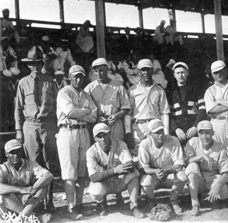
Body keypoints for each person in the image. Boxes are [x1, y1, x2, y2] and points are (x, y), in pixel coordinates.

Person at [15, 46, 58, 211]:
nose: (36, 66)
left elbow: (57, 107)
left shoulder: (50, 81)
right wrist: (19, 129)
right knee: (34, 164)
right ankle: (37, 202)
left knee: (50, 162)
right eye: (33, 64)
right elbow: (18, 108)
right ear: (28, 65)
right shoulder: (22, 83)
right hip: (30, 125)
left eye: (39, 63)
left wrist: (57, 126)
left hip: (48, 125)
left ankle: (50, 200)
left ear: (42, 63)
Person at [56, 65, 97, 220]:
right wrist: (86, 111)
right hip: (68, 131)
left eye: (81, 76)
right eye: (75, 76)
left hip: (83, 131)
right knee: (69, 173)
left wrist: (83, 113)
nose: (78, 79)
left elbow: (94, 116)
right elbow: (69, 112)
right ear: (69, 77)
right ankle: (71, 207)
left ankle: (80, 205)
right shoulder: (64, 92)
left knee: (82, 171)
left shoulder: (86, 95)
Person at [87, 123, 146, 219]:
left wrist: (107, 172)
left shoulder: (120, 144)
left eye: (105, 135)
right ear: (95, 138)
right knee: (95, 190)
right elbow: (93, 177)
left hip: (119, 181)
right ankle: (101, 203)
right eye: (99, 136)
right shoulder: (91, 152)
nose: (103, 139)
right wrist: (115, 170)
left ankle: (133, 206)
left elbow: (130, 166)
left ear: (109, 134)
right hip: (104, 183)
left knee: (134, 174)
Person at [138, 119, 187, 214]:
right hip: (154, 176)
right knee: (145, 182)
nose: (160, 134)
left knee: (182, 176)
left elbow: (179, 164)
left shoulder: (173, 140)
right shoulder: (144, 144)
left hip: (170, 174)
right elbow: (143, 167)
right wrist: (156, 171)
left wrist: (166, 171)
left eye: (161, 131)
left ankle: (173, 200)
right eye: (156, 132)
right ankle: (151, 200)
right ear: (149, 134)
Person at [124, 59, 170, 158]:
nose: (145, 73)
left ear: (152, 70)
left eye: (148, 69)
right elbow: (128, 114)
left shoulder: (159, 90)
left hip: (155, 126)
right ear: (139, 72)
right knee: (138, 155)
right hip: (138, 126)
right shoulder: (132, 90)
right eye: (142, 70)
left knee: (156, 154)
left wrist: (166, 133)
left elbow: (164, 113)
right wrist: (128, 132)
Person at [185, 120, 228, 216]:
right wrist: (201, 156)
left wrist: (217, 186)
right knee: (191, 166)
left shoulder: (220, 147)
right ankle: (195, 204)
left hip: (212, 178)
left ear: (213, 133)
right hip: (198, 178)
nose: (204, 137)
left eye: (207, 133)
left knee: (224, 193)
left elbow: (225, 173)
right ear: (198, 134)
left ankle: (210, 196)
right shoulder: (192, 142)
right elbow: (185, 162)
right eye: (201, 133)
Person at [0, 139, 53, 223]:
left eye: (18, 152)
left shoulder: (30, 164)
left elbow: (48, 175)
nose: (16, 155)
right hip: (11, 204)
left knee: (42, 186)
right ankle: (31, 217)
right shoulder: (3, 168)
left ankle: (23, 217)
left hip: (28, 201)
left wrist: (33, 189)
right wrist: (21, 190)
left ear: (22, 151)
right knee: (2, 195)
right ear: (6, 154)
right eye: (12, 152)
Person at [85, 58, 131, 141]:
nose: (98, 74)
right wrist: (96, 117)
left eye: (101, 70)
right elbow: (86, 109)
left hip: (116, 123)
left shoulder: (118, 86)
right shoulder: (89, 88)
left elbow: (126, 107)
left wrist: (116, 116)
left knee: (118, 148)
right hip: (98, 124)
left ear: (107, 69)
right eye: (96, 71)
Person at [167, 62, 207, 146]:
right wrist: (176, 129)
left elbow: (202, 110)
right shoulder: (171, 92)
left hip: (193, 131)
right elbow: (169, 114)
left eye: (182, 72)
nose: (180, 75)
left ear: (187, 73)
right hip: (178, 133)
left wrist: (195, 127)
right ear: (174, 75)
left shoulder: (196, 89)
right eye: (178, 73)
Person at [204, 60, 228, 144]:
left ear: (225, 71)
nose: (218, 74)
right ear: (212, 74)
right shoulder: (210, 90)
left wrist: (219, 101)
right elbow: (211, 110)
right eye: (215, 73)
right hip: (217, 124)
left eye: (220, 71)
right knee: (219, 150)